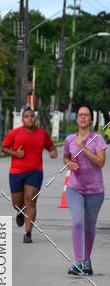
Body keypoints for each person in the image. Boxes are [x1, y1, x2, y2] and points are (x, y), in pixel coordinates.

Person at [1, 107, 58, 242]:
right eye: (27, 116)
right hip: (16, 172)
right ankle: (20, 211)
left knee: (31, 201)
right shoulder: (15, 133)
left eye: (32, 116)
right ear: (22, 119)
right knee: (16, 203)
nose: (30, 118)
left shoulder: (42, 134)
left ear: (35, 118)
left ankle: (28, 233)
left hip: (35, 172)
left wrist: (53, 151)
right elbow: (3, 148)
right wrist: (16, 154)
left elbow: (51, 146)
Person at [63, 104, 106, 276]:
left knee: (89, 226)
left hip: (95, 191)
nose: (83, 117)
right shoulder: (69, 139)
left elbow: (100, 162)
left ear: (91, 119)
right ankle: (78, 261)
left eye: (86, 115)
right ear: (77, 118)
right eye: (80, 115)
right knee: (78, 222)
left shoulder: (98, 140)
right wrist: (68, 163)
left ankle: (87, 260)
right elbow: (66, 156)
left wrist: (84, 147)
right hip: (75, 188)